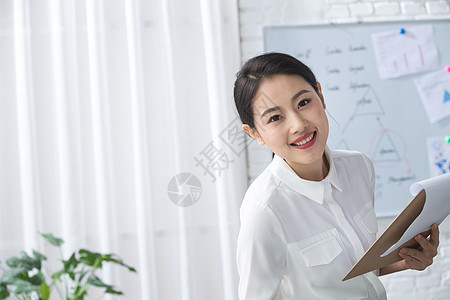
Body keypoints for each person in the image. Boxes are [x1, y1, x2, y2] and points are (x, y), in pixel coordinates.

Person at [233, 52, 439, 300]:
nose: (298, 124)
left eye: (303, 103)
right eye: (275, 118)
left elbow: (357, 271)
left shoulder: (359, 168)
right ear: (255, 134)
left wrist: (407, 261)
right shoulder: (264, 211)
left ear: (320, 95)